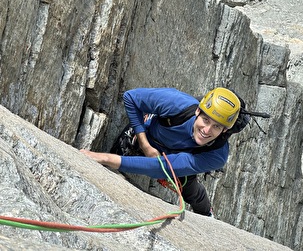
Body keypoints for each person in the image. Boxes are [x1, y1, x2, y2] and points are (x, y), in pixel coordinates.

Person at [81, 87, 241, 217]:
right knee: (118, 156)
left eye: (217, 126)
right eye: (206, 120)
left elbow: (162, 166)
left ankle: (207, 215)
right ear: (198, 111)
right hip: (148, 137)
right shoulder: (176, 103)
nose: (207, 130)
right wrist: (144, 144)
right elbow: (131, 98)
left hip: (177, 162)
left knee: (191, 192)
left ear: (225, 130)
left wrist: (106, 158)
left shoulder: (217, 154)